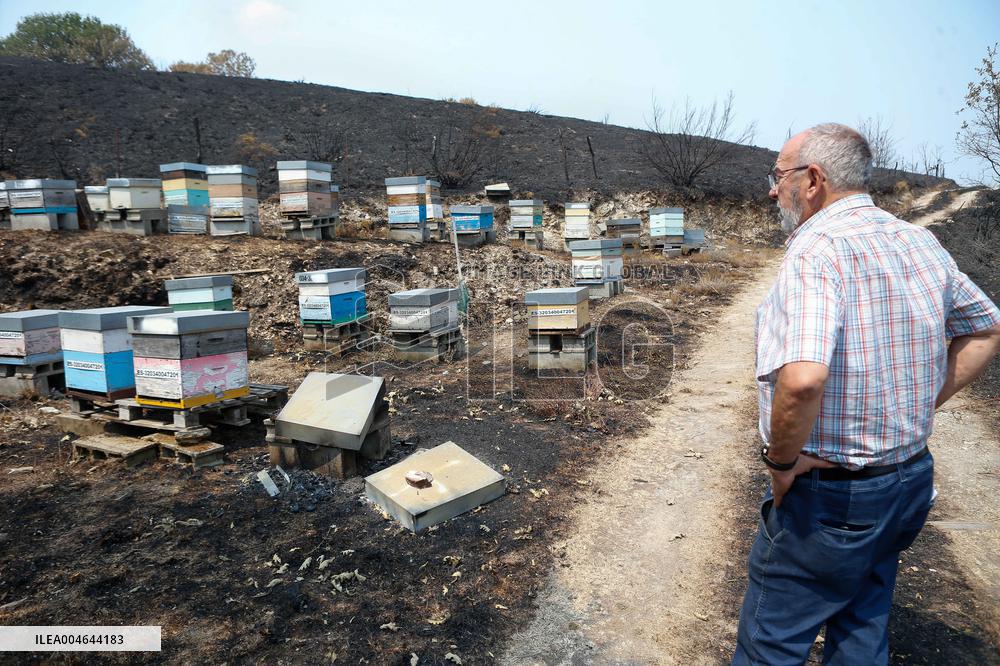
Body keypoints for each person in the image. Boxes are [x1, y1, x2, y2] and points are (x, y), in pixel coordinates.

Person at [733, 123, 1000, 665]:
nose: (771, 189)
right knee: (862, 628)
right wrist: (919, 403)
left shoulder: (817, 251)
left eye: (778, 176)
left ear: (812, 179)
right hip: (907, 482)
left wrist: (780, 462)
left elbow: (803, 378)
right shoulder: (918, 240)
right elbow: (986, 327)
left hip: (835, 497)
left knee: (772, 643)